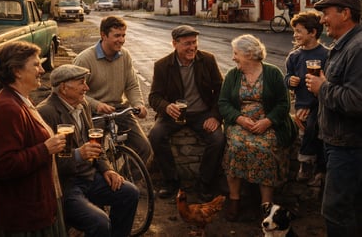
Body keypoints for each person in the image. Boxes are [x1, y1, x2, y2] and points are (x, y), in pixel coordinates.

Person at [37, 64, 139, 237]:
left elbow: (94, 143)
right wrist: (79, 155)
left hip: (90, 177)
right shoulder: (46, 112)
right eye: (81, 82)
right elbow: (49, 163)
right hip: (67, 185)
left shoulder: (82, 104)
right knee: (99, 222)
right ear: (63, 87)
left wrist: (108, 169)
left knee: (130, 193)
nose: (87, 87)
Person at [0, 41, 67, 236]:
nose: (42, 69)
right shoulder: (7, 108)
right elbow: (2, 165)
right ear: (17, 71)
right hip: (22, 218)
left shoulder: (21, 100)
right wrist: (44, 149)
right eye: (36, 65)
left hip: (33, 206)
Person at [218, 34, 296, 222]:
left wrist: (267, 121)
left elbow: (284, 104)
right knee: (236, 147)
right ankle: (235, 199)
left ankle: (265, 206)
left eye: (236, 53)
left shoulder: (273, 73)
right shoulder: (232, 74)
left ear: (249, 54)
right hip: (240, 124)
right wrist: (239, 119)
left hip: (268, 125)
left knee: (264, 148)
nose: (233, 57)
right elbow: (223, 103)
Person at [306, 0, 362, 237]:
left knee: (337, 213)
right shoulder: (346, 44)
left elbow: (356, 101)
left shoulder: (358, 48)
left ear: (346, 13)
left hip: (349, 147)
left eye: (326, 14)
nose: (322, 20)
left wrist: (322, 88)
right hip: (337, 143)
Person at [148, 25, 225, 200]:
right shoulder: (162, 65)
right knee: (156, 135)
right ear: (174, 44)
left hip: (203, 113)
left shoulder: (207, 60)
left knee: (218, 139)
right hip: (175, 115)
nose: (192, 47)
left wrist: (215, 116)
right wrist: (166, 107)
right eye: (187, 44)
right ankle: (171, 181)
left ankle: (205, 183)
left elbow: (221, 91)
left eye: (194, 42)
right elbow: (154, 97)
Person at [73, 15, 153, 166]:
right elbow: (73, 94)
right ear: (103, 35)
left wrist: (138, 104)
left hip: (118, 108)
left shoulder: (125, 55)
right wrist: (96, 105)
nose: (121, 40)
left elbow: (131, 84)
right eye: (117, 35)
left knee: (144, 147)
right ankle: (102, 182)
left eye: (123, 35)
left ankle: (125, 181)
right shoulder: (84, 59)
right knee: (95, 154)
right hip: (93, 112)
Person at [285, 11, 328, 186]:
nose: (295, 35)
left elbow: (329, 84)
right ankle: (309, 165)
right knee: (306, 130)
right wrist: (290, 81)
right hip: (301, 104)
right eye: (294, 31)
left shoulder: (327, 55)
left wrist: (310, 107)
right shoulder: (294, 56)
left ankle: (309, 164)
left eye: (299, 31)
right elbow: (287, 79)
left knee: (315, 128)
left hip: (320, 104)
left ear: (313, 32)